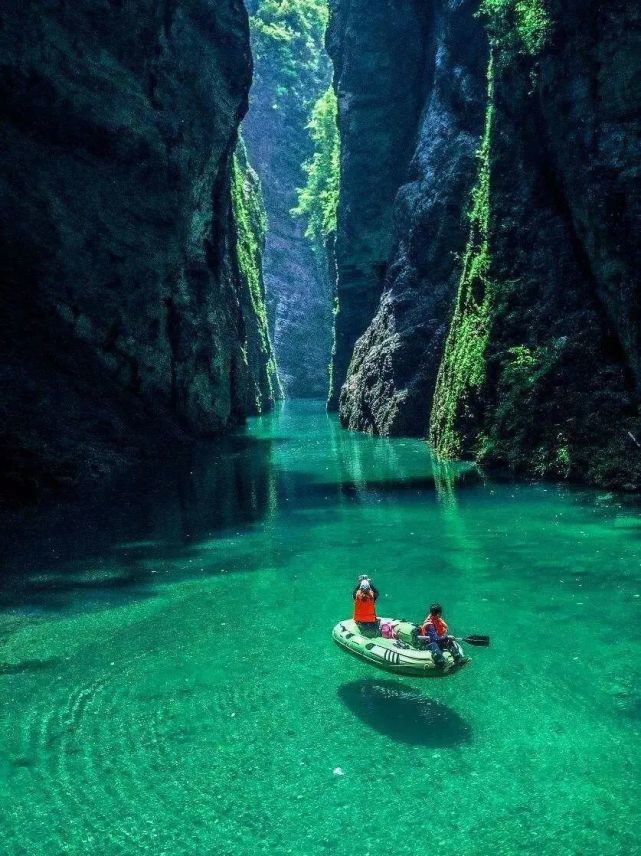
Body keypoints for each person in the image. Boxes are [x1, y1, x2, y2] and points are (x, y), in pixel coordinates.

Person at [419, 603, 468, 668]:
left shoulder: (436, 619)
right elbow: (435, 639)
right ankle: (440, 662)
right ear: (438, 614)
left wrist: (447, 638)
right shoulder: (429, 625)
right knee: (434, 645)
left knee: (449, 641)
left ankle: (458, 659)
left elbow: (440, 636)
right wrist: (447, 637)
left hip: (438, 640)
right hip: (429, 643)